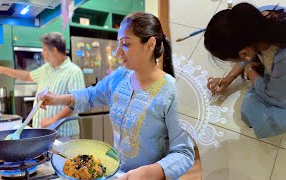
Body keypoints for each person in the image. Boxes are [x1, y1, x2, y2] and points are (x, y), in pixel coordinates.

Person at [39, 12, 195, 179]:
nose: (117, 52)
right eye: (118, 44)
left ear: (150, 45)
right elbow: (92, 95)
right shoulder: (120, 76)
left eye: (126, 44)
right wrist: (57, 99)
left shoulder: (172, 91)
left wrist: (152, 172)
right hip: (117, 174)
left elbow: (184, 152)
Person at [204, 3, 286, 139]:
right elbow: (248, 51)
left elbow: (276, 98)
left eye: (233, 59)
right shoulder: (257, 17)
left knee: (253, 110)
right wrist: (229, 78)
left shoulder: (282, 58)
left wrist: (250, 71)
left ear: (243, 53)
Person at [0, 32, 85, 141]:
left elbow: (76, 102)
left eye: (44, 49)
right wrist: (1, 69)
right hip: (43, 134)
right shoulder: (46, 68)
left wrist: (52, 120)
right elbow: (27, 76)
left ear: (54, 51)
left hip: (64, 135)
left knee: (64, 159)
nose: (42, 53)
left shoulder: (74, 72)